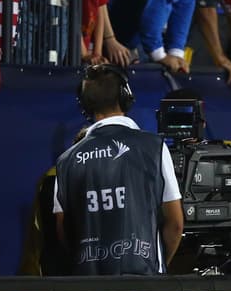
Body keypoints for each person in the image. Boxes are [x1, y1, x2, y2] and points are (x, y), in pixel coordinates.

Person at [53, 64, 183, 274]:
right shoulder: (154, 147)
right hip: (143, 283)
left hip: (86, 289)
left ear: (85, 106)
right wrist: (158, 270)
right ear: (125, 97)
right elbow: (175, 224)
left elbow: (63, 231)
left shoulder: (66, 160)